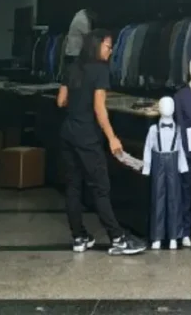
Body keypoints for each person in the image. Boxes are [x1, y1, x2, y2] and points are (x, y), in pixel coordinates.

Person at [57, 29, 146, 256]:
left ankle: (79, 237)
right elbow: (99, 108)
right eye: (108, 46)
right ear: (97, 46)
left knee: (73, 186)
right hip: (88, 136)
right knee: (101, 188)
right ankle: (118, 238)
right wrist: (112, 137)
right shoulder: (100, 70)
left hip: (68, 133)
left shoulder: (72, 67)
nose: (111, 50)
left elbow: (61, 101)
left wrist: (78, 103)